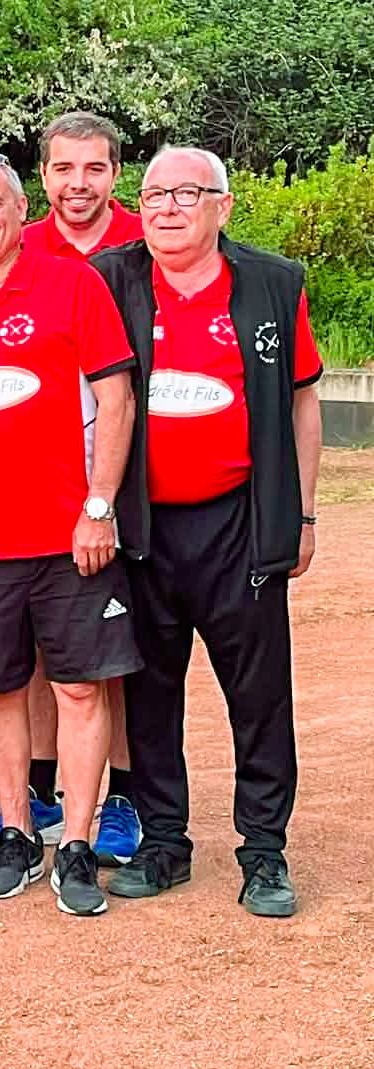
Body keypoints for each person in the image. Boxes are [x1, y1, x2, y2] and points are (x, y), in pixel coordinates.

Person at [90, 147, 322, 918]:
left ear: (222, 207)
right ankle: (164, 844)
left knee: (259, 697)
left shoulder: (273, 284)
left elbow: (302, 401)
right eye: (154, 193)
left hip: (239, 524)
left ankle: (265, 852)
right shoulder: (110, 280)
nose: (165, 207)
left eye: (186, 193)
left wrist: (303, 514)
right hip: (143, 528)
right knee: (149, 694)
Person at [0, 153, 142, 917]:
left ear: (21, 211)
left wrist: (99, 507)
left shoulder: (71, 285)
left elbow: (116, 400)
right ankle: (18, 831)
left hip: (71, 536)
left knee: (80, 688)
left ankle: (76, 843)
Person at [0, 112, 148, 863]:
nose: (79, 183)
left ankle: (126, 799)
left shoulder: (148, 238)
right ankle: (41, 791)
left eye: (94, 168)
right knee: (45, 653)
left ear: (116, 173)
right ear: (41, 177)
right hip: (37, 494)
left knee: (114, 656)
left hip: (131, 479)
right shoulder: (20, 243)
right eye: (64, 168)